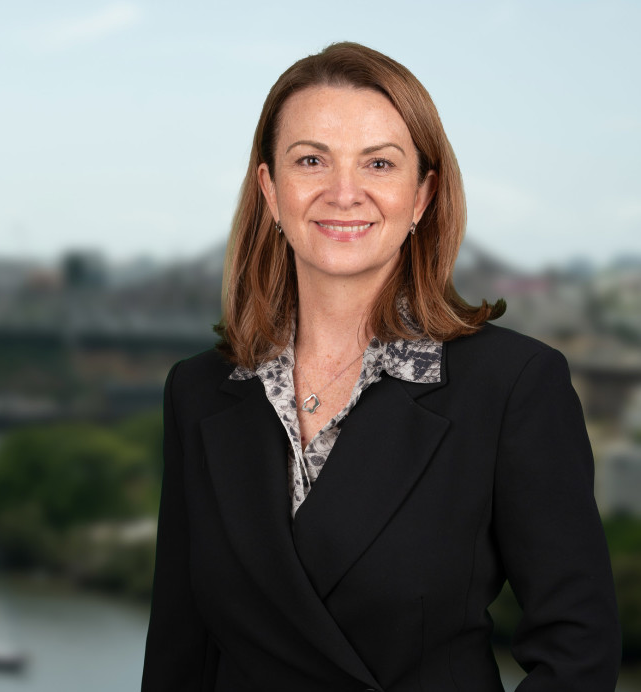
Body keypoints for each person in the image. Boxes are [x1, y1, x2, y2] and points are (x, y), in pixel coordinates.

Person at [141, 42, 620, 692]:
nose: (344, 192)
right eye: (311, 160)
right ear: (270, 191)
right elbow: (180, 651)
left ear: (422, 194)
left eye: (379, 163)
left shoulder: (510, 386)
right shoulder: (199, 392)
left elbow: (579, 651)